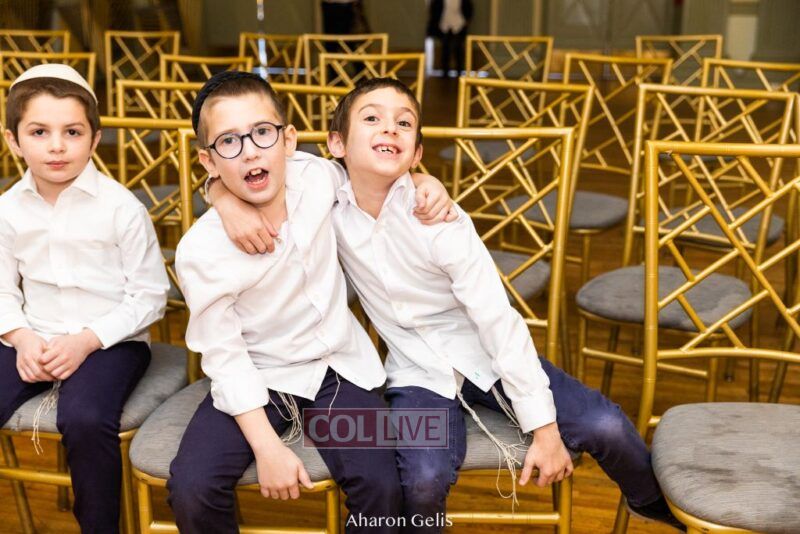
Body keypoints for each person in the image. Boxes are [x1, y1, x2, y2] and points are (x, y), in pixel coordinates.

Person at [212, 77, 687, 532]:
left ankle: (653, 506)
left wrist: (544, 429)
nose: (389, 129)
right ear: (336, 144)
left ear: (416, 152)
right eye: (372, 119)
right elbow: (247, 166)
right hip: (415, 372)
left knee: (606, 425)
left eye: (403, 124)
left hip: (485, 355)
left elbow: (497, 321)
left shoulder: (438, 218)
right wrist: (220, 198)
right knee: (422, 480)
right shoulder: (321, 198)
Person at [168, 70, 453, 534]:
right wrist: (267, 448)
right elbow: (225, 358)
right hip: (256, 378)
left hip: (334, 371)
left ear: (289, 139)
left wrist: (423, 177)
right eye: (229, 142)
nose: (250, 151)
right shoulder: (201, 251)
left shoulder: (317, 177)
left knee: (382, 484)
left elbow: (376, 168)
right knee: (192, 488)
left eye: (262, 132)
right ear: (208, 160)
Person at [0, 64, 169, 533]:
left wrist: (87, 341)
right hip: (33, 335)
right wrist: (21, 336)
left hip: (111, 341)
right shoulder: (7, 209)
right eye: (39, 132)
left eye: (72, 132)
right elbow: (2, 289)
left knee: (86, 417)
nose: (56, 146)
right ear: (14, 140)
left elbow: (150, 296)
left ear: (94, 140)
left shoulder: (121, 208)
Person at [427, 0, 473, 77]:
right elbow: (433, 10)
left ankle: (459, 71)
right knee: (445, 50)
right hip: (444, 26)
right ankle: (445, 72)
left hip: (459, 25)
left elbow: (469, 8)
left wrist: (466, 22)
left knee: (458, 49)